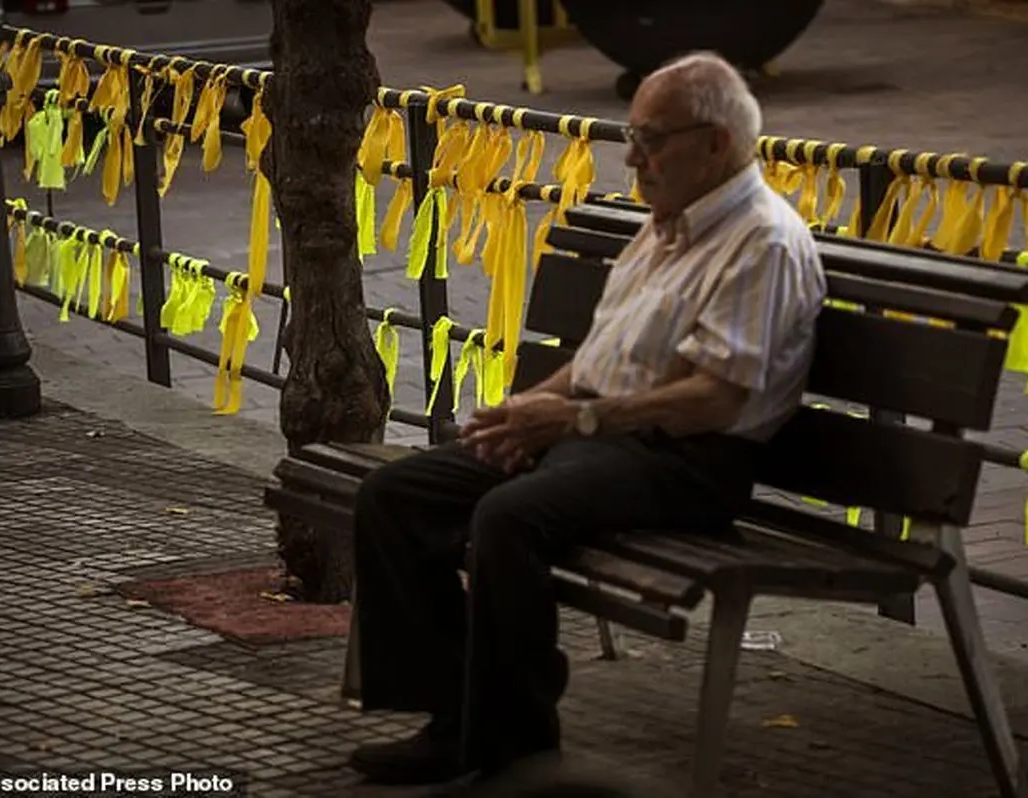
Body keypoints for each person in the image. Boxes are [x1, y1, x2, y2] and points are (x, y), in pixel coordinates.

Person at [348, 51, 826, 788]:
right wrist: (535, 408)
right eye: (632, 136)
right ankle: (454, 720)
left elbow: (717, 398)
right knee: (395, 497)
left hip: (692, 461)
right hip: (603, 436)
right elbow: (603, 352)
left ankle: (519, 751)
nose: (633, 157)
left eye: (652, 139)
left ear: (716, 143)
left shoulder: (761, 241)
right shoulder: (667, 222)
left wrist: (577, 420)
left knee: (508, 519)